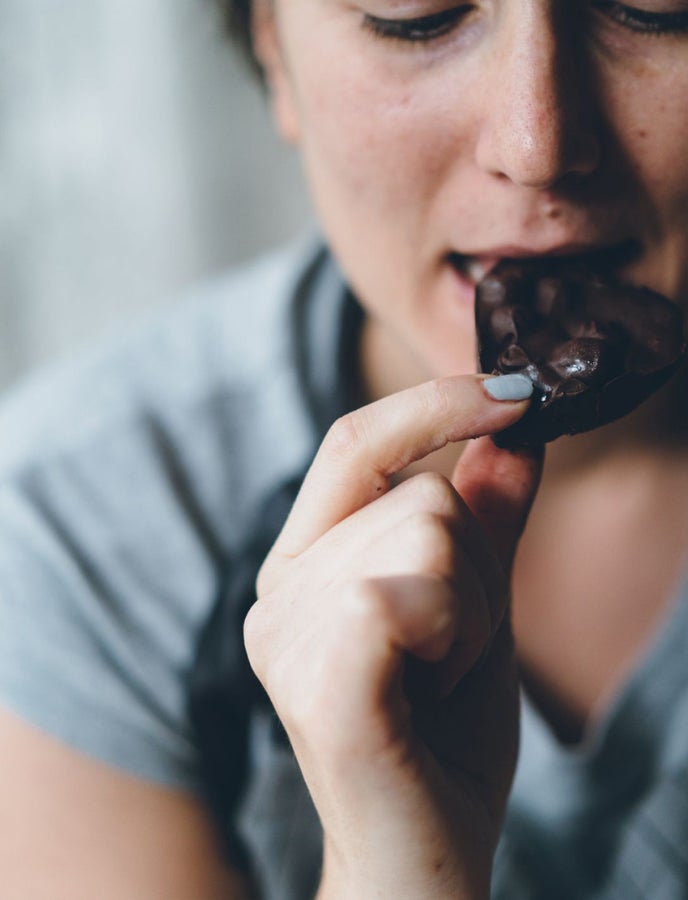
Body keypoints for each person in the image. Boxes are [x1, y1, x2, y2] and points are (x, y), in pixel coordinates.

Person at [1, 1, 688, 897]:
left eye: (655, 6)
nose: (537, 143)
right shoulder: (73, 527)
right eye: (415, 14)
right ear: (272, 52)